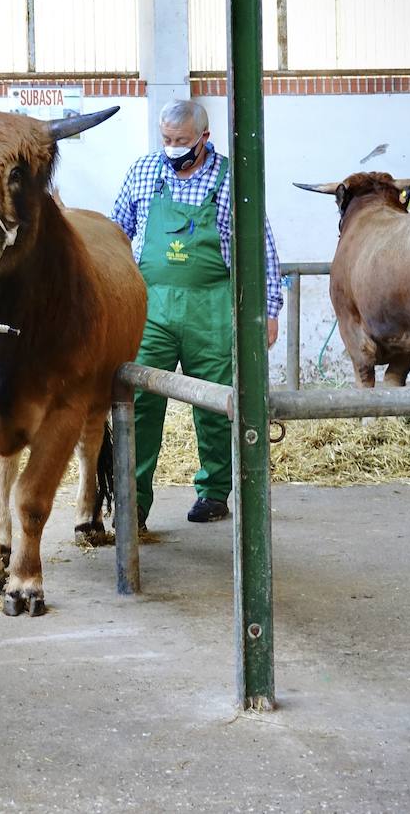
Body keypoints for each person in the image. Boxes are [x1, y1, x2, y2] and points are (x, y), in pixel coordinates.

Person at [111, 99, 283, 528]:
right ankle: (133, 503)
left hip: (210, 309)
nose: (172, 148)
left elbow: (260, 247)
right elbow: (117, 232)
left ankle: (213, 491)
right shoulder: (144, 172)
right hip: (150, 308)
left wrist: (270, 310)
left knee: (214, 402)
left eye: (181, 141)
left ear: (204, 138)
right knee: (140, 402)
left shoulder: (230, 179)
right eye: (166, 140)